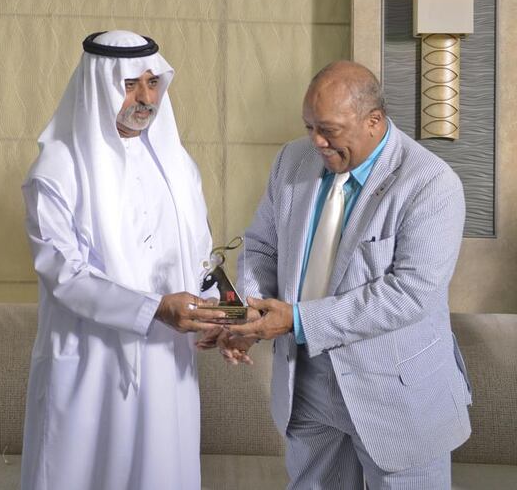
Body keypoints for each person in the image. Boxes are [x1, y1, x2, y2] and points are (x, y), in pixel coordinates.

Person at [202, 60, 472, 489]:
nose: (317, 141)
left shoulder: (430, 184)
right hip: (306, 386)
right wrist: (248, 317)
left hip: (397, 397)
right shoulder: (292, 160)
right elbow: (261, 247)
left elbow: (410, 293)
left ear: (373, 121)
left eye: (328, 129)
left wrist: (297, 320)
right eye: (309, 127)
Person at [20, 30, 225, 490]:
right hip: (93, 366)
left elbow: (201, 259)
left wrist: (223, 317)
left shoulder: (177, 165)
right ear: (99, 86)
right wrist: (155, 308)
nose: (145, 97)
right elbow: (64, 275)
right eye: (130, 84)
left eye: (153, 83)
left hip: (167, 363)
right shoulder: (56, 171)